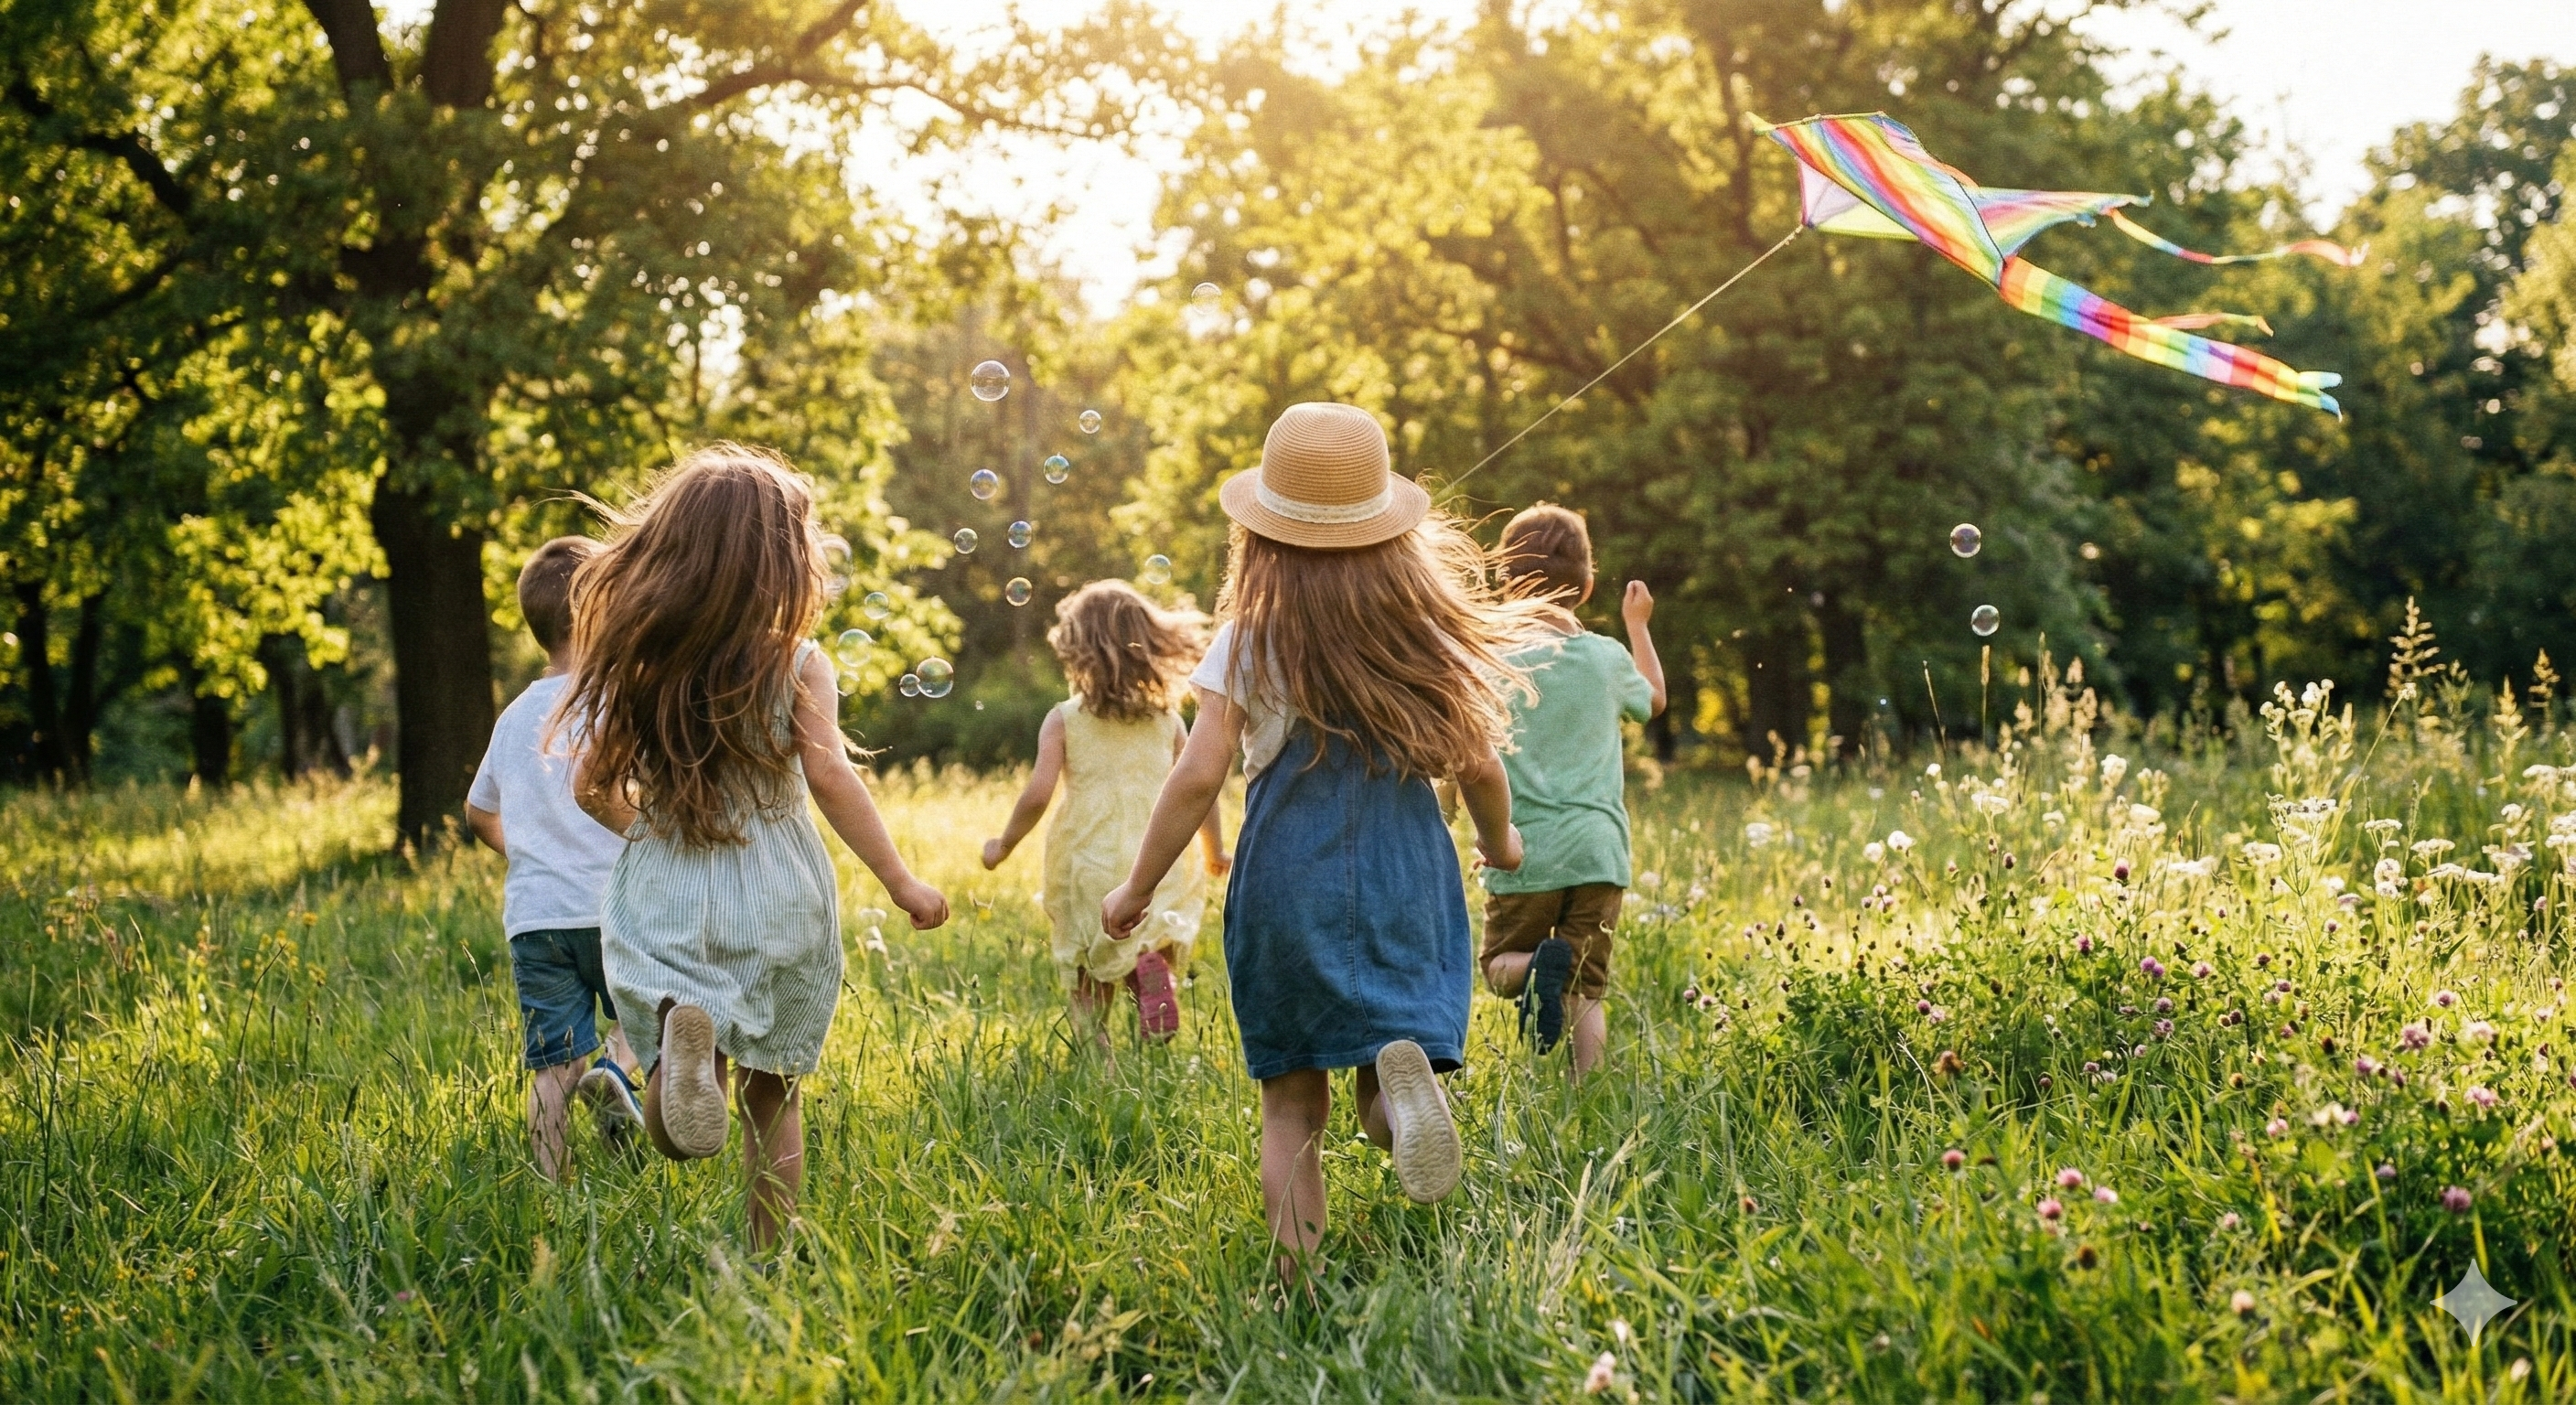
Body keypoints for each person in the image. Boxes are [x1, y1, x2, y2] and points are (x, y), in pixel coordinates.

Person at [1101, 402, 1541, 1284]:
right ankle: (1398, 1111)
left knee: (1292, 1104)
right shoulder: (1418, 634)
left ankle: (1298, 1286)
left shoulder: (1248, 638)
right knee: (1387, 1053)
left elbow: (1197, 776)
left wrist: (1138, 887)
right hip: (1407, 871)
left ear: (1261, 536)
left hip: (1286, 876)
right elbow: (1481, 767)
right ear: (1391, 533)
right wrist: (1502, 844)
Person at [560, 443, 949, 1252]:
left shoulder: (646, 662)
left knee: (677, 1080)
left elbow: (590, 788)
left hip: (673, 894)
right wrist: (901, 880)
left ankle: (675, 1061)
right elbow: (833, 778)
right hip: (780, 891)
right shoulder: (799, 662)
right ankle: (771, 1253)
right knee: (775, 1094)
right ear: (781, 563)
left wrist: (654, 837)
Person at [465, 536, 646, 1182]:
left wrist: (534, 853)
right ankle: (615, 1075)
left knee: (550, 1064)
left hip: (537, 917)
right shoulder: (619, 702)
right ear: (599, 610)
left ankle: (552, 1185)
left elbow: (478, 811)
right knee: (648, 1020)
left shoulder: (513, 717)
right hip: (617, 907)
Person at [980, 581, 1230, 1046]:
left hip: (1091, 860)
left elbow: (1038, 793)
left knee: (1090, 979)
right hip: (1160, 862)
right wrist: (1216, 849)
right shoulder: (1168, 719)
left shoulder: (1065, 718)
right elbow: (1202, 788)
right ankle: (1152, 977)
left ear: (1077, 650)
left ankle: (1101, 1064)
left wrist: (1004, 843)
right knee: (1150, 940)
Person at [1476, 505, 1665, 1078]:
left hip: (1523, 849)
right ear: (1586, 587)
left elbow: (1466, 755)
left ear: (1505, 583)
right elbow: (1653, 701)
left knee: (1498, 965)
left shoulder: (1488, 662)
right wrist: (1637, 626)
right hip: (1599, 851)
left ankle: (1533, 965)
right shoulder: (1606, 657)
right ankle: (1589, 1097)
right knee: (1587, 986)